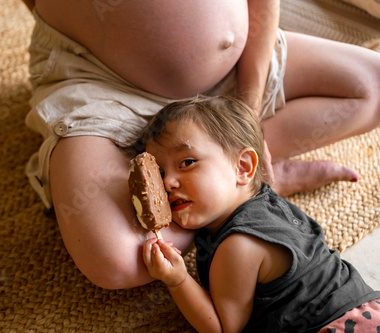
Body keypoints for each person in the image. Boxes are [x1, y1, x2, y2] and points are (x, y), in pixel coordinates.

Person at [20, 0, 380, 289]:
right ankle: (222, 182)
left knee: (373, 87)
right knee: (119, 260)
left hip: (231, 75)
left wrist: (247, 115)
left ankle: (235, 170)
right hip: (101, 82)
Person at [141, 96, 380, 332]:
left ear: (243, 167)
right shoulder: (268, 202)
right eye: (160, 173)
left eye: (187, 162)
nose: (168, 182)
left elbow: (224, 327)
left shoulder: (238, 245)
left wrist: (178, 279)